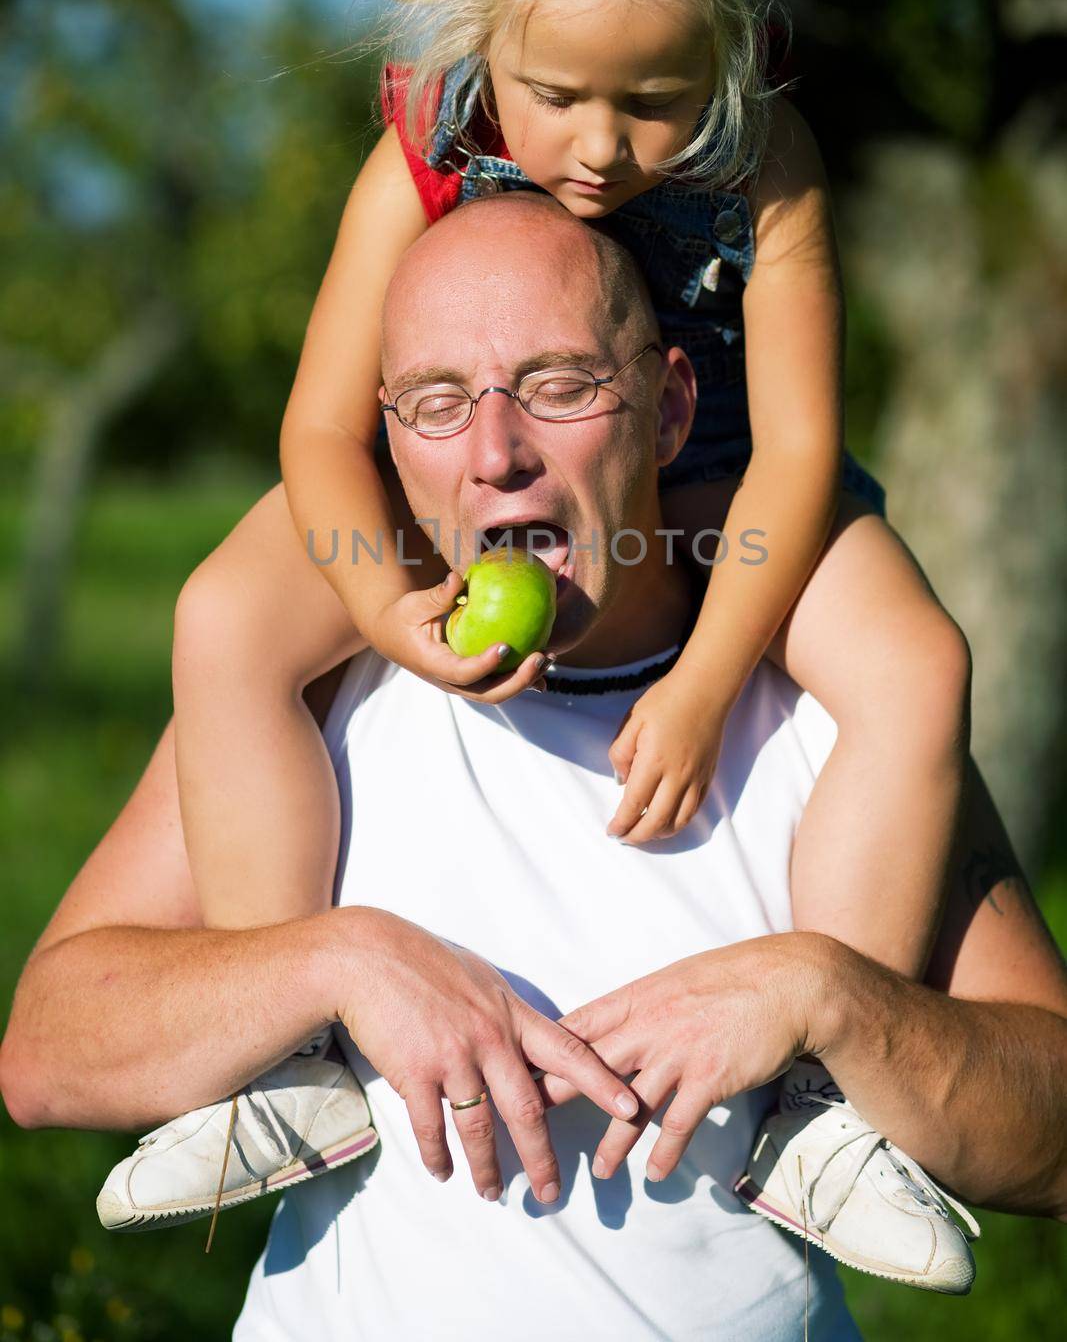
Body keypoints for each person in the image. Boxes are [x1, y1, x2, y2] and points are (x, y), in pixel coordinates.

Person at [154, 0, 980, 1265]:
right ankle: (292, 1049)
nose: (600, 149)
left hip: (724, 477)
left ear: (728, 58)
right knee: (220, 619)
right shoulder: (426, 137)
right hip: (476, 455)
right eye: (557, 95)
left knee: (915, 666)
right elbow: (319, 428)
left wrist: (709, 677)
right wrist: (378, 608)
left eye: (655, 101)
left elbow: (797, 450)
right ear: (486, 34)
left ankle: (813, 1104)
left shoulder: (763, 155)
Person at [2, 194, 1065, 1342]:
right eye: (438, 403)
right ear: (388, 434)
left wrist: (828, 996)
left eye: (559, 388)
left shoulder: (838, 712)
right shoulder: (314, 696)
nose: (495, 455)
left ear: (668, 409)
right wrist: (333, 962)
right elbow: (50, 1051)